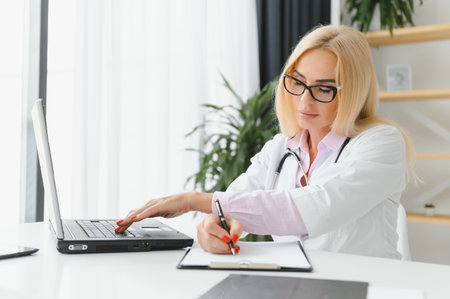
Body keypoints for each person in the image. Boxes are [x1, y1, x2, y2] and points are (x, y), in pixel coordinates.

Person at [115, 25, 416, 259]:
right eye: (297, 82)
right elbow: (231, 207)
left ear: (353, 92)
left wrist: (196, 200)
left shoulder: (381, 143)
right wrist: (214, 227)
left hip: (366, 288)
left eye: (323, 89)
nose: (304, 99)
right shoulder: (280, 148)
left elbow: (317, 207)